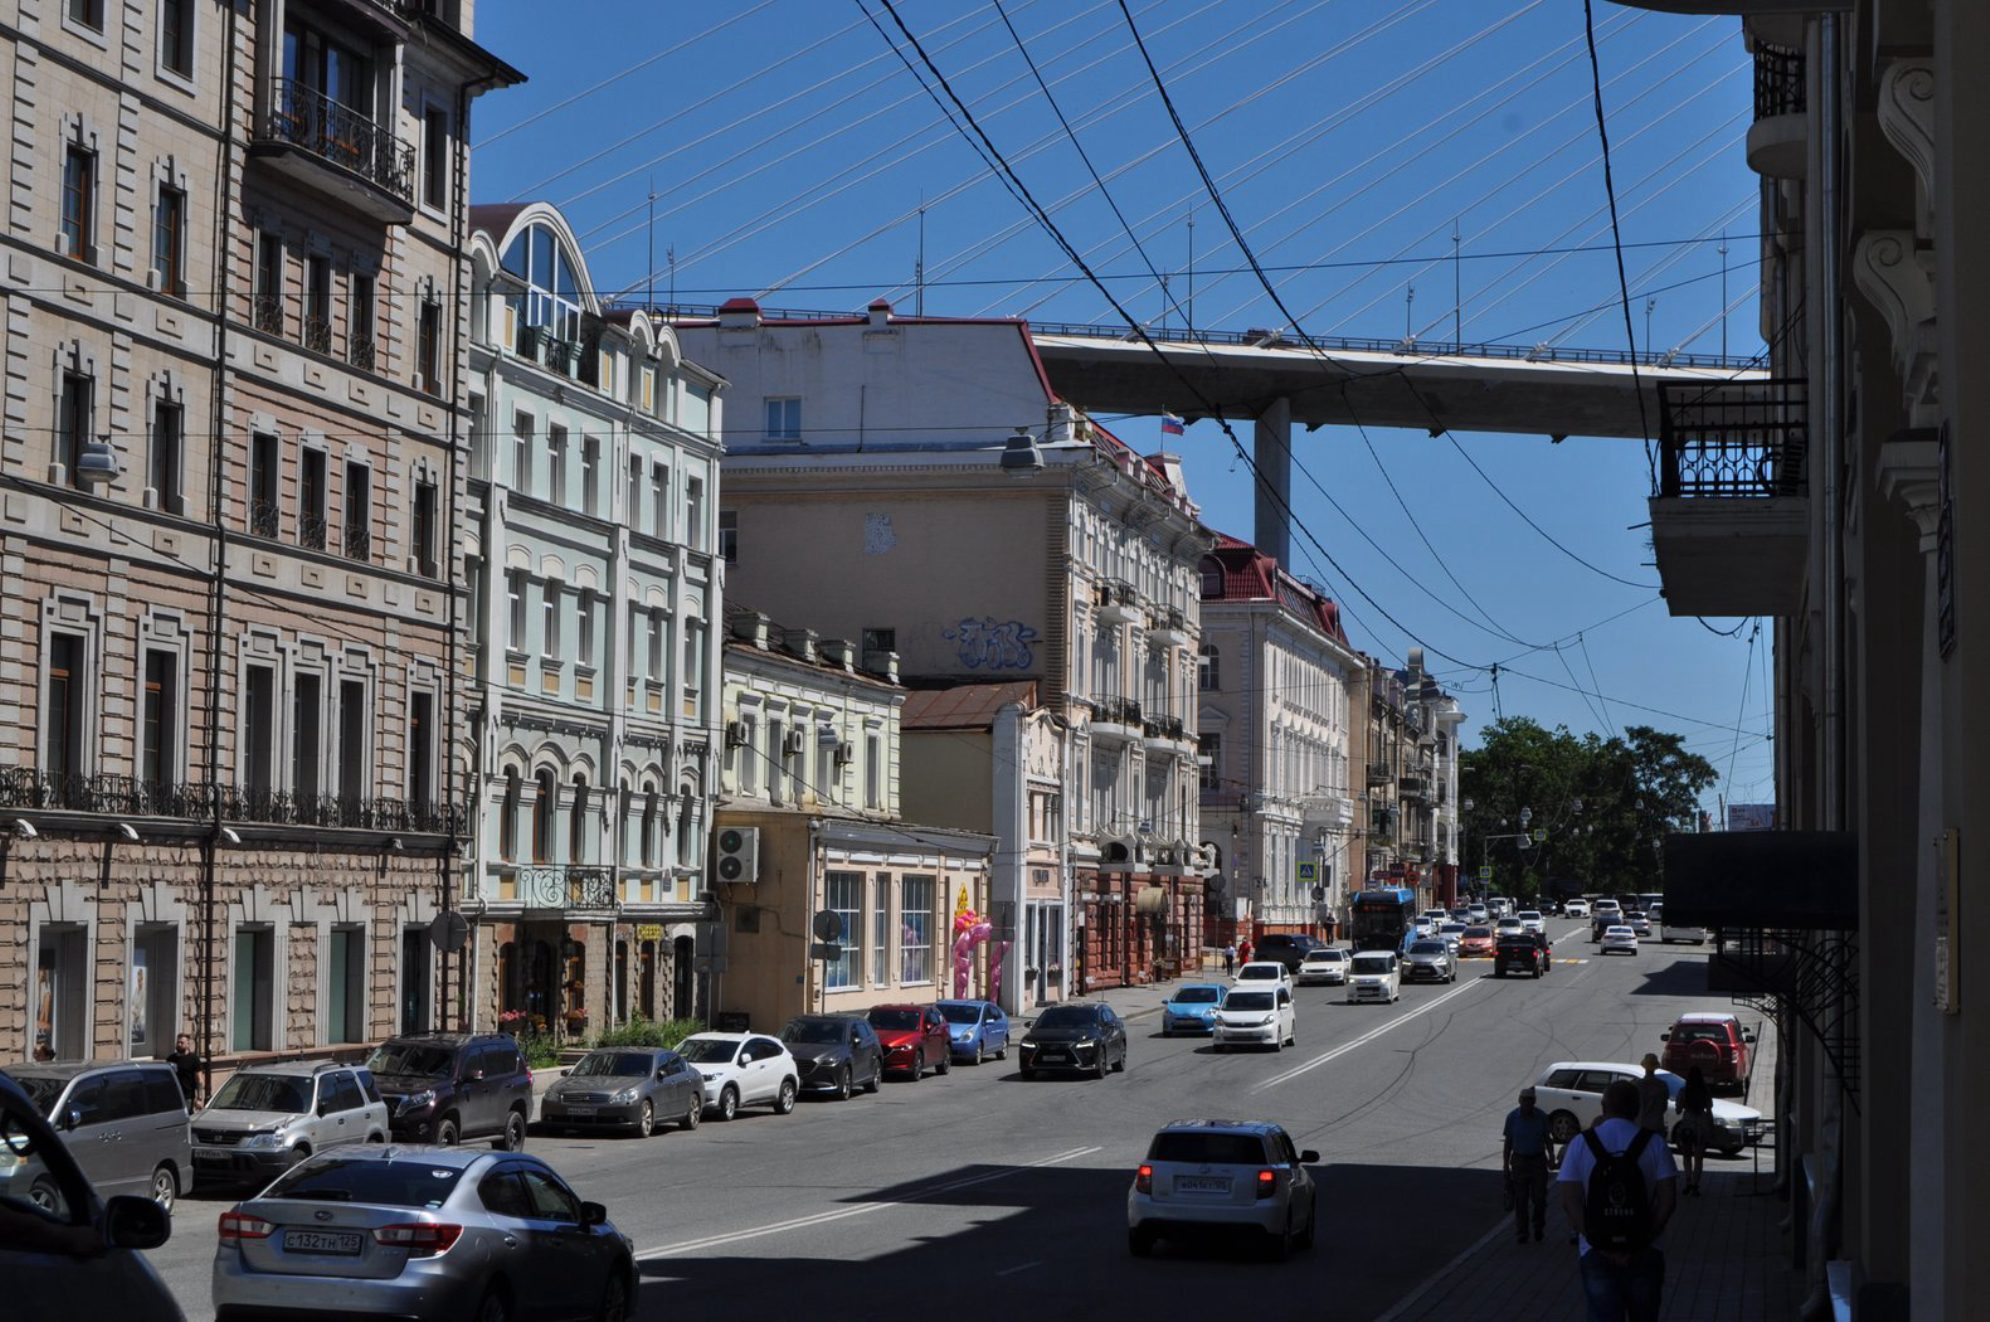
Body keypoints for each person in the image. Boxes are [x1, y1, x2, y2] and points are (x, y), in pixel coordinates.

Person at [1559, 1079, 1678, 1321]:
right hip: (1645, 1250)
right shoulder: (1654, 1144)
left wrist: (1595, 1240)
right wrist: (1646, 1238)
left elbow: (1569, 1200)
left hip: (1595, 1251)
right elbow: (1668, 1199)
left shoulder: (1581, 1144)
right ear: (1637, 1109)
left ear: (1603, 1108)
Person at [1503, 1086, 1556, 1244]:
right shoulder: (1512, 1117)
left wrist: (1551, 1156)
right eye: (1524, 1101)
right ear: (1520, 1101)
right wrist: (1505, 1165)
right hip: (1519, 1161)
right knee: (1521, 1199)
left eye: (1530, 1101)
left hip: (1538, 1161)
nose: (1527, 1104)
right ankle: (1522, 1232)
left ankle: (1538, 1226)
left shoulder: (1541, 1117)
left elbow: (1548, 1138)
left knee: (1539, 1198)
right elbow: (1508, 1142)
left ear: (1534, 1102)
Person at [1677, 1066, 1714, 1195]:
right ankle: (1695, 1184)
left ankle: (1687, 1181)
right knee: (1699, 1158)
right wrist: (1711, 1127)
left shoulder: (1684, 1091)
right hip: (1701, 1124)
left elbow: (1678, 1110)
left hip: (1688, 1123)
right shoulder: (1705, 1091)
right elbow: (1709, 1109)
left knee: (1686, 1156)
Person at [1635, 1054, 1670, 1136]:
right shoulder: (1662, 1085)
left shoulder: (1637, 1085)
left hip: (1641, 1124)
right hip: (1657, 1125)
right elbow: (1664, 1106)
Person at [167, 1033, 202, 1111]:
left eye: (182, 1043)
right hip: (174, 1096)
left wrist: (199, 1098)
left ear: (188, 1044)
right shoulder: (171, 1059)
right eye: (178, 1042)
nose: (179, 1044)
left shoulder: (193, 1059)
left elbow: (199, 1079)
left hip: (187, 1096)